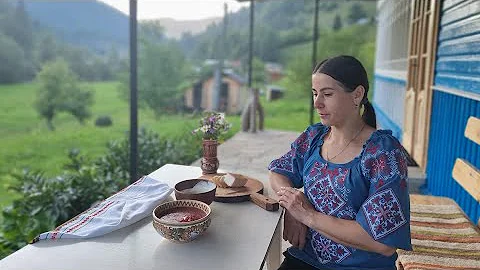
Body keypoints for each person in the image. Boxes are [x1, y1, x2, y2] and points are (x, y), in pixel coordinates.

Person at [268, 55, 412, 270]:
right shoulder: (314, 137)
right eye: (315, 93)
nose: (317, 103)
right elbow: (278, 172)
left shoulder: (383, 154)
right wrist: (292, 201)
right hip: (306, 258)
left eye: (327, 94)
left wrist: (307, 215)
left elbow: (382, 243)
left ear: (357, 95)